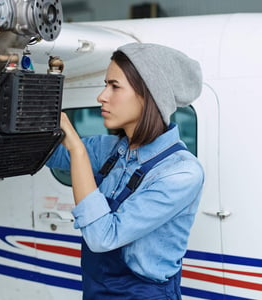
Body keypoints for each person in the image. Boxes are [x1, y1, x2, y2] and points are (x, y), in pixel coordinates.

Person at [46, 42, 204, 299]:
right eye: (105, 84)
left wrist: (78, 150)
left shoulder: (182, 174)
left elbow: (103, 237)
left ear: (148, 95)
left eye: (114, 86)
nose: (102, 96)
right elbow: (47, 154)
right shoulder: (110, 150)